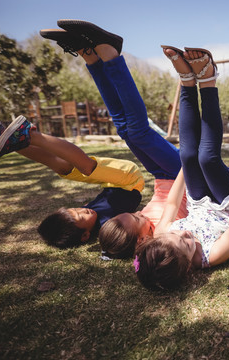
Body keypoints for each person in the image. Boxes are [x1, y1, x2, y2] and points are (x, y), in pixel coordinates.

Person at [39, 20, 188, 258]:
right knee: (138, 131)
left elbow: (110, 244)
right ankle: (110, 54)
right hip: (183, 175)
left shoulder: (114, 231)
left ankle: (90, 55)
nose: (82, 211)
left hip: (161, 176)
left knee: (123, 128)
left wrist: (107, 252)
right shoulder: (156, 235)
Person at [133, 46, 229, 290]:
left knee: (188, 154)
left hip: (197, 201)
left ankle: (187, 82)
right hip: (224, 203)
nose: (185, 235)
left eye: (177, 235)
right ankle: (207, 81)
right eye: (185, 244)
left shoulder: (163, 238)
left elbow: (174, 205)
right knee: (207, 158)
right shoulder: (213, 255)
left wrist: (186, 167)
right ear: (188, 266)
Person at [0, 115, 144, 249]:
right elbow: (125, 237)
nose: (84, 211)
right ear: (85, 236)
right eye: (81, 217)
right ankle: (28, 136)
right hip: (130, 181)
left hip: (112, 182)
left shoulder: (83, 219)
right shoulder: (107, 227)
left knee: (65, 169)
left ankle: (11, 141)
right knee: (86, 167)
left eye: (76, 209)